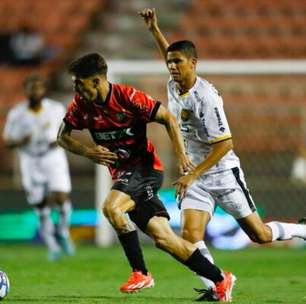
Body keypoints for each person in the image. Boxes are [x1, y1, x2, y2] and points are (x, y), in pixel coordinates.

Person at [140, 8, 306, 301]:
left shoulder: (206, 98)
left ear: (194, 63)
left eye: (178, 63)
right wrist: (154, 29)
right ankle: (218, 287)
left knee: (260, 235)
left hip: (221, 172)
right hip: (197, 176)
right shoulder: (174, 82)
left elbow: (225, 144)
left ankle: (300, 229)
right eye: (170, 63)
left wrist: (193, 172)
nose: (172, 67)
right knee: (190, 236)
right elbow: (172, 52)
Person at [57, 52, 236, 301]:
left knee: (111, 208)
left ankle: (141, 273)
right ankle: (220, 279)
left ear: (97, 81)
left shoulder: (128, 98)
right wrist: (88, 152)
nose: (76, 87)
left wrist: (182, 156)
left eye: (80, 82)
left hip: (145, 169)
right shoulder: (80, 106)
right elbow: (62, 137)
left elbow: (168, 119)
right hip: (124, 176)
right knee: (164, 239)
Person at [3, 74, 74, 261]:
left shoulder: (56, 109)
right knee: (40, 204)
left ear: (44, 90)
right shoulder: (16, 114)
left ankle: (63, 232)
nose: (35, 91)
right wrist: (20, 141)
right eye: (31, 88)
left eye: (39, 87)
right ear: (25, 90)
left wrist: (59, 141)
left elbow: (69, 130)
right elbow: (8, 141)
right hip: (30, 160)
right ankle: (52, 245)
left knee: (61, 198)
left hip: (53, 158)